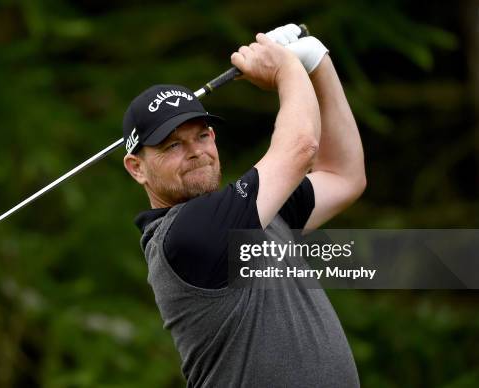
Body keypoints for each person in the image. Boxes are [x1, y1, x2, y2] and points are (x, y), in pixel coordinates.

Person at [122, 24, 366, 388]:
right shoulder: (184, 237)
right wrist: (287, 69)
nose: (195, 151)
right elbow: (300, 147)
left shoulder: (256, 214)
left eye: (202, 135)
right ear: (137, 167)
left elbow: (344, 176)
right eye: (172, 145)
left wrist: (317, 63)